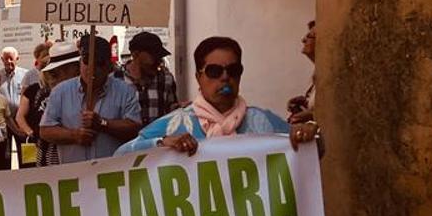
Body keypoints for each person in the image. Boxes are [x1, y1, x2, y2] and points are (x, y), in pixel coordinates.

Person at [117, 37, 321, 155]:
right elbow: (121, 156)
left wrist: (308, 136)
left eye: (233, 70)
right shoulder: (174, 126)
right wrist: (161, 143)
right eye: (214, 71)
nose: (225, 77)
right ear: (198, 77)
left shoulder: (264, 122)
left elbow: (315, 152)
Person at [39, 34, 142, 163]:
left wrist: (103, 124)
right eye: (87, 60)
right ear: (80, 61)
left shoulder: (125, 92)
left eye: (99, 63)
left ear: (109, 66)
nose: (92, 68)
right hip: (75, 176)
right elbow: (45, 130)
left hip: (112, 174)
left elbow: (134, 128)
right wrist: (74, 136)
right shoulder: (60, 92)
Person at [18, 42, 81, 167]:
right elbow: (46, 130)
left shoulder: (83, 92)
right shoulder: (46, 95)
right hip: (52, 159)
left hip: (75, 158)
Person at [112, 32, 179, 125]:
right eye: (153, 57)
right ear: (136, 55)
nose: (158, 61)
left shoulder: (166, 79)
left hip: (157, 138)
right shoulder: (116, 80)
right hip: (127, 139)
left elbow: (171, 112)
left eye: (159, 57)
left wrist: (179, 109)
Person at [0, 46, 31, 167]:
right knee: (4, 159)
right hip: (4, 123)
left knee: (26, 159)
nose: (8, 62)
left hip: (22, 122)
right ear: (2, 59)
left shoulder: (26, 75)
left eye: (11, 58)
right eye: (6, 59)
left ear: (17, 58)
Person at [288, 20, 316, 124]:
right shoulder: (316, 73)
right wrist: (305, 102)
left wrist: (312, 116)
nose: (303, 40)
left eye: (309, 36)